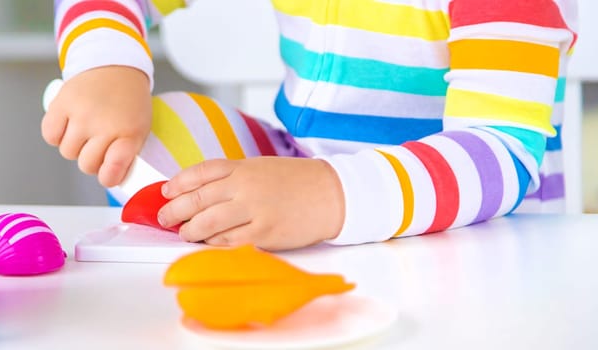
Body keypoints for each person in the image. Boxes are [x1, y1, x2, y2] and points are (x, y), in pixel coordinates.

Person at [42, 0, 578, 250]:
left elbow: (501, 154)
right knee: (163, 133)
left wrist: (330, 195)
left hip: (474, 240)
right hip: (301, 196)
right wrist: (106, 64)